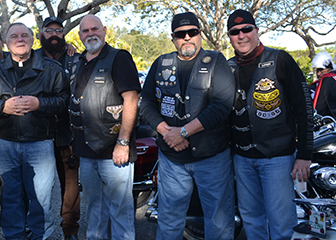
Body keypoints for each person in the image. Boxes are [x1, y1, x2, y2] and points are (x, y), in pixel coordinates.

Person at [140, 12, 236, 240]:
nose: (187, 38)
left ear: (200, 34)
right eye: (181, 34)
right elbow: (146, 103)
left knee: (219, 222)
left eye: (192, 32)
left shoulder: (216, 62)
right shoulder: (161, 63)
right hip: (172, 160)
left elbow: (222, 106)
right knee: (169, 222)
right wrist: (166, 131)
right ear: (173, 38)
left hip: (211, 158)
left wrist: (183, 132)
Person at [0, 22, 69, 240]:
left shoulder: (51, 69)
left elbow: (64, 102)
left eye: (24, 35)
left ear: (33, 40)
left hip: (40, 144)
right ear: (7, 42)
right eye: (14, 36)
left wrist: (39, 104)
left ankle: (40, 236)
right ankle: (14, 236)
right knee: (10, 199)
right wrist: (2, 107)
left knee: (41, 201)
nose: (19, 39)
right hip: (4, 144)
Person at [227, 9, 313, 240]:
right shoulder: (228, 67)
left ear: (257, 31)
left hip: (277, 158)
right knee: (252, 221)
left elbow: (304, 108)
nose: (241, 35)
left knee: (282, 224)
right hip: (243, 159)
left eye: (246, 29)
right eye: (235, 32)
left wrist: (304, 154)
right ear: (230, 37)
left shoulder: (280, 59)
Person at [69, 15, 140, 240]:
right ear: (80, 35)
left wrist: (123, 143)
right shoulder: (79, 61)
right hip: (86, 152)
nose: (91, 34)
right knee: (94, 210)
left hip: (114, 152)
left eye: (95, 29)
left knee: (120, 210)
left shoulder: (119, 58)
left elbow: (131, 99)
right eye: (85, 30)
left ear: (105, 31)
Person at [36, 16, 81, 240]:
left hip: (67, 131)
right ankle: (33, 229)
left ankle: (70, 230)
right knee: (34, 186)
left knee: (70, 184)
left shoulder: (76, 59)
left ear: (64, 35)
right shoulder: (31, 57)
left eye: (58, 31)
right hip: (36, 131)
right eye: (49, 30)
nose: (54, 34)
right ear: (40, 34)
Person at [309, 52, 336, 117]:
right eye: (317, 71)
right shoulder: (312, 87)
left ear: (329, 70)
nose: (318, 74)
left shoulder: (329, 80)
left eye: (321, 71)